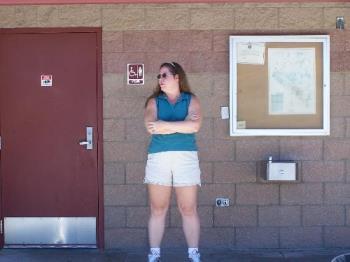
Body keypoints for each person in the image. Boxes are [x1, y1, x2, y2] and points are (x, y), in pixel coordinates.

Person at [144, 62, 202, 262]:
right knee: (158, 208)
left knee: (188, 208)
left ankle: (194, 254)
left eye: (164, 75)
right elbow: (152, 127)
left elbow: (195, 126)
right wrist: (181, 125)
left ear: (177, 77)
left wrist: (165, 125)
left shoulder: (191, 99)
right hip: (158, 157)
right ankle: (154, 254)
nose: (160, 79)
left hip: (186, 158)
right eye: (159, 76)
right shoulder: (153, 102)